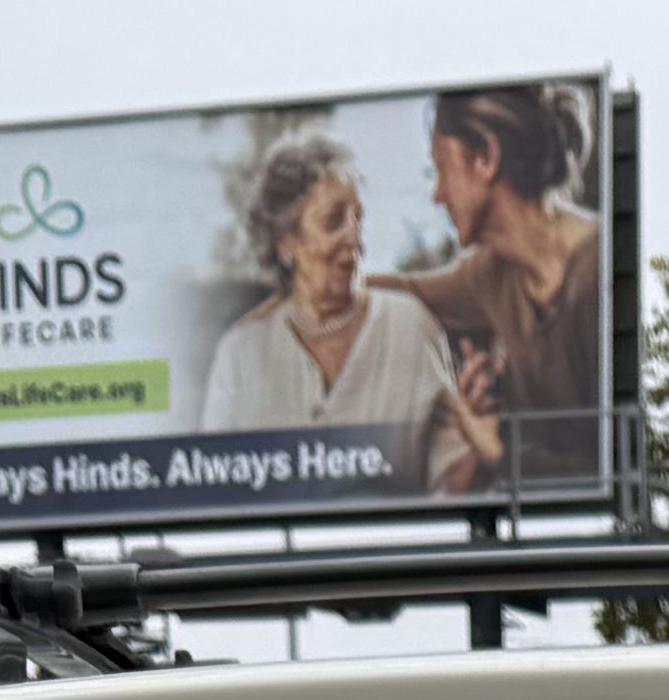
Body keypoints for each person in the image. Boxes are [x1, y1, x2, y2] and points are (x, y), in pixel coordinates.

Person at [201, 130, 489, 478]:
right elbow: (215, 482)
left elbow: (447, 483)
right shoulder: (239, 354)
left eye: (358, 219)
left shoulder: (410, 327)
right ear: (286, 242)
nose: (355, 240)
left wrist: (479, 444)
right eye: (333, 221)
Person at [396, 84, 607, 486]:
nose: (438, 195)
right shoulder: (491, 274)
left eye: (441, 168)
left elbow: (605, 469)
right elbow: (403, 290)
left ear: (486, 159)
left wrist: (498, 450)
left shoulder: (597, 273)